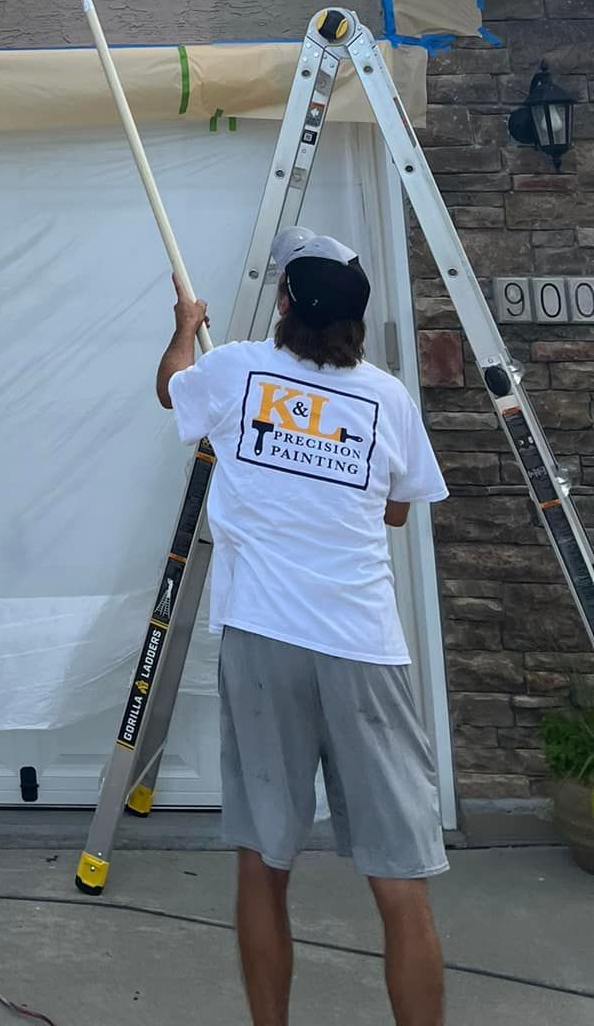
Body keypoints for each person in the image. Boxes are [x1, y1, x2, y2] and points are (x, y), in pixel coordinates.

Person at [156, 227, 450, 1026]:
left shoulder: (235, 368)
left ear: (284, 302)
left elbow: (172, 389)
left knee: (264, 860)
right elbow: (397, 508)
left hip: (263, 642)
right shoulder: (388, 398)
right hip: (364, 648)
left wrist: (185, 326)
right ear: (355, 318)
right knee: (400, 876)